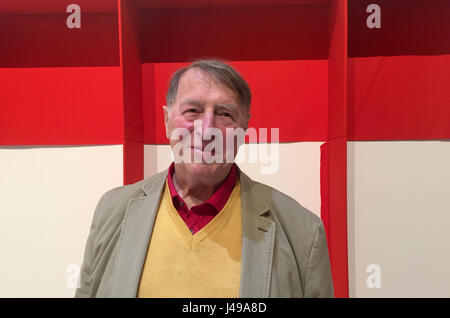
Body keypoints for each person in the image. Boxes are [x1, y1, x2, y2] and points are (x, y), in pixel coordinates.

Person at [75, 60, 334, 298]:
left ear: (244, 128)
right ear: (167, 120)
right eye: (192, 110)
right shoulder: (112, 210)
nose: (207, 129)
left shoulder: (303, 233)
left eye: (225, 115)